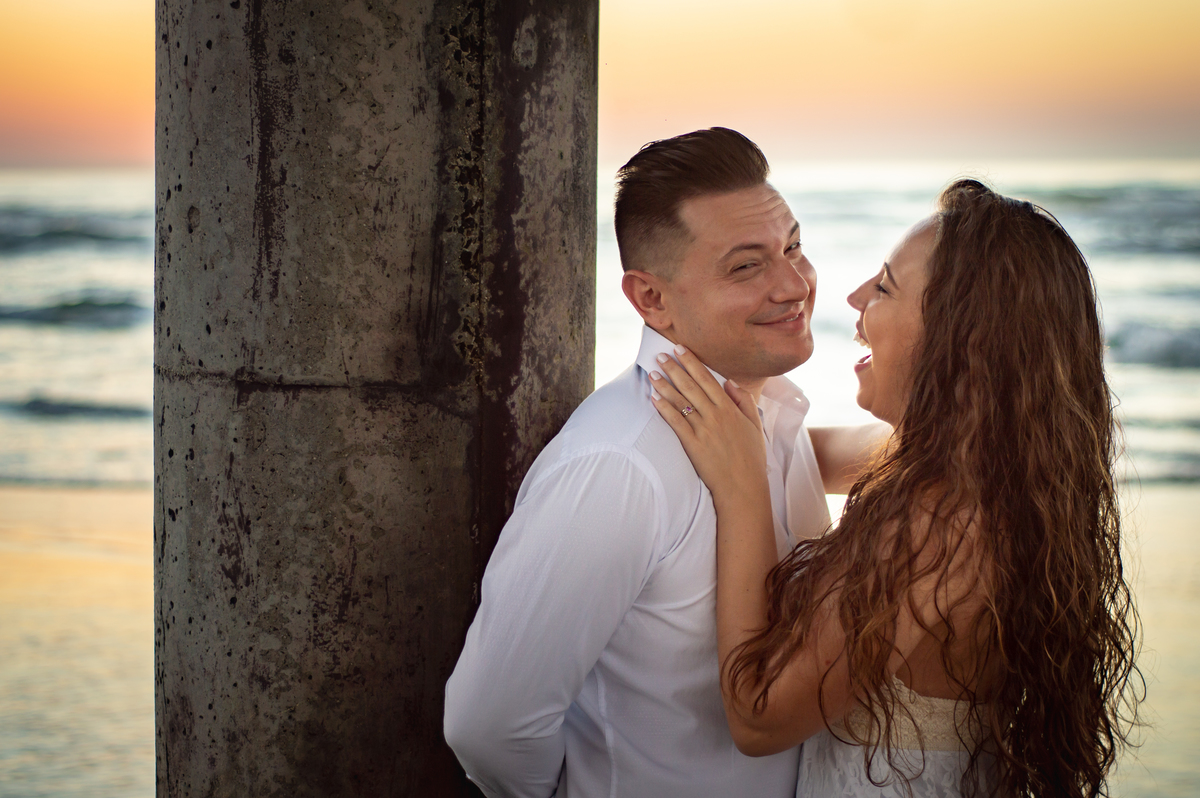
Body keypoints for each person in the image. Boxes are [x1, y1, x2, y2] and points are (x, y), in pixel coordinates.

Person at [649, 179, 1142, 797]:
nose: (854, 298)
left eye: (883, 288)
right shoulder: (980, 470)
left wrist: (742, 492)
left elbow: (759, 716)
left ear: (962, 340)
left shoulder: (940, 523)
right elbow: (793, 451)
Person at [444, 128, 887, 797]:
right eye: (746, 267)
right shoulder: (619, 467)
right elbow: (487, 725)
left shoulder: (769, 412)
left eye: (793, 247)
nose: (795, 285)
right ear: (651, 299)